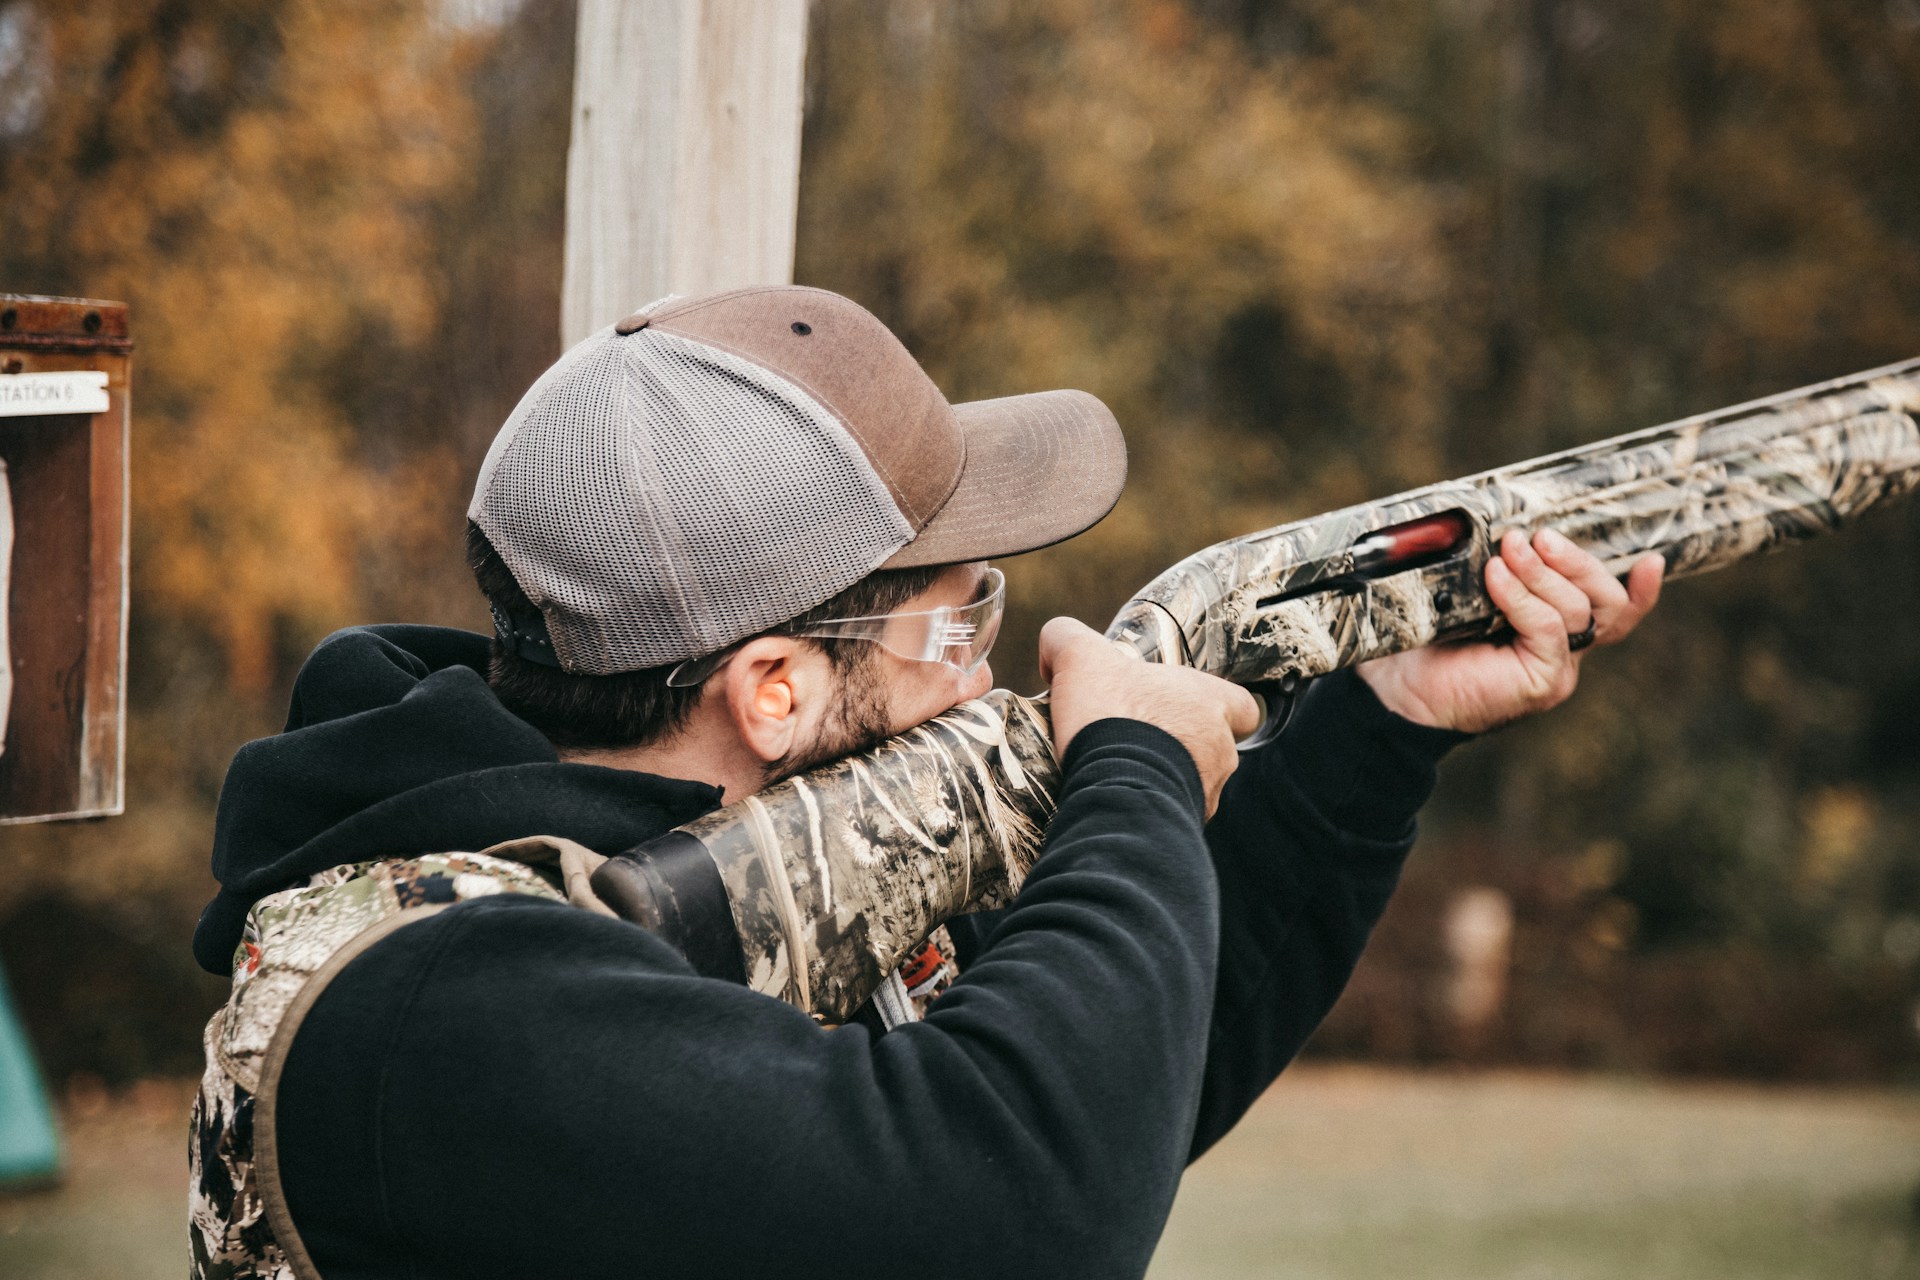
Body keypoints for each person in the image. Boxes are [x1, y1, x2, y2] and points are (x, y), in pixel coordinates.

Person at [188, 286, 1661, 1280]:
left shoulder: (733, 885)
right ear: (774, 689)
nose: (984, 675)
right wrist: (1134, 768)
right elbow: (1022, 1203)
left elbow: (1117, 1082)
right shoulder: (429, 1008)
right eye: (960, 626)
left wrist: (1378, 725)